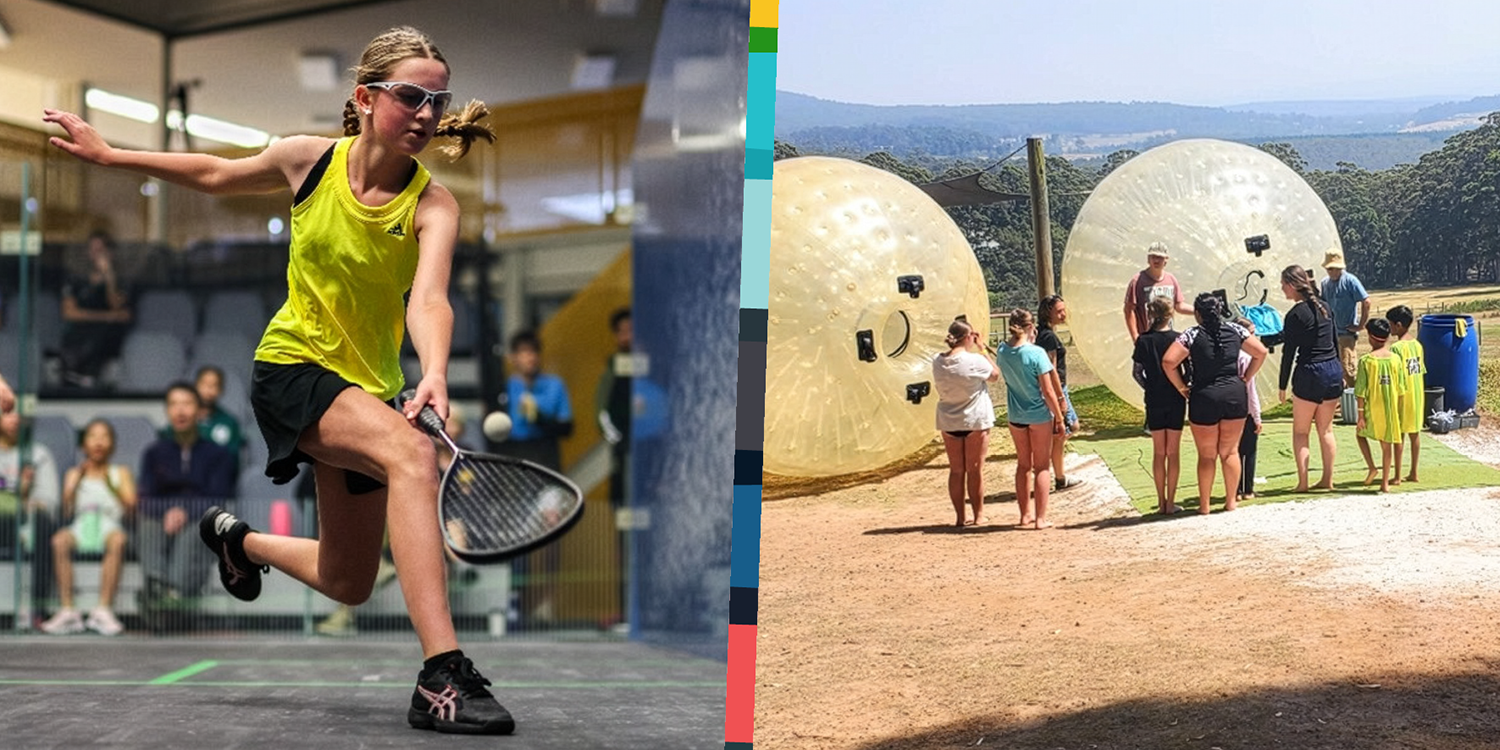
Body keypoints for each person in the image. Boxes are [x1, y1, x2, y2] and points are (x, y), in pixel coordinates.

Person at [47, 26, 510, 733]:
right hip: (292, 367)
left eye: (436, 100)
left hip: (369, 386)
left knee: (347, 581)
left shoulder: (433, 204)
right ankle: (442, 674)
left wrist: (437, 372)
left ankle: (238, 539)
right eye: (411, 96)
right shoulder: (308, 161)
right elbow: (214, 173)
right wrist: (110, 154)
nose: (425, 112)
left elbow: (430, 299)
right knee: (413, 453)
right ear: (367, 96)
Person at [135, 382, 237, 613]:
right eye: (173, 404)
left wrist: (185, 513)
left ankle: (171, 594)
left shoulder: (219, 454)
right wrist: (168, 513)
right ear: (167, 411)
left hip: (200, 518)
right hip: (161, 518)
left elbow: (218, 498)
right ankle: (158, 586)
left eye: (187, 404)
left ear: (199, 411)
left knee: (195, 532)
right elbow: (146, 496)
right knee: (147, 526)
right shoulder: (153, 453)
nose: (180, 411)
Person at [1162, 293, 1267, 514]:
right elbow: (1261, 352)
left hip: (1204, 396)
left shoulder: (1191, 335)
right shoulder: (1237, 330)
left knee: (1207, 455)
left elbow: (1169, 361)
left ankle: (1205, 506)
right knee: (1230, 452)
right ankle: (1231, 502)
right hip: (1235, 395)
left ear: (1198, 314)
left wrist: (1181, 387)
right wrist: (1246, 377)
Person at [39, 419, 137, 636]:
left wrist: (112, 486)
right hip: (81, 525)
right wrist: (74, 485)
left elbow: (131, 508)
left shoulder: (120, 472)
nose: (98, 442)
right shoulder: (74, 474)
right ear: (84, 444)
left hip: (109, 524)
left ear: (112, 444)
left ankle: (103, 609)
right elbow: (66, 511)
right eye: (93, 437)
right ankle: (67, 611)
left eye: (104, 437)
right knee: (59, 540)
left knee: (118, 540)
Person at [995, 308, 1064, 530]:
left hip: (1016, 415)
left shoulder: (1002, 350)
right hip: (1038, 415)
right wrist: (1060, 418)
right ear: (1030, 326)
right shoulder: (1036, 354)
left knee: (1023, 465)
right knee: (1042, 467)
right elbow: (1048, 391)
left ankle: (1024, 515)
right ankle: (1040, 518)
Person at [1277, 265, 1343, 492]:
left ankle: (1303, 482)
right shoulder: (1325, 307)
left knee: (1301, 432)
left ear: (1293, 285)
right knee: (1326, 430)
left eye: (1283, 284)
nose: (1281, 288)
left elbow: (1289, 353)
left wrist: (1282, 384)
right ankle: (1328, 479)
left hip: (1309, 373)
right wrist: (1340, 370)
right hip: (1332, 370)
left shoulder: (1295, 315)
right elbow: (1335, 341)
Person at [932, 317, 1000, 527]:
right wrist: (982, 349)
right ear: (968, 337)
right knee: (975, 469)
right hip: (974, 419)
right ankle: (978, 515)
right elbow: (995, 375)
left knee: (956, 470)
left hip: (949, 419)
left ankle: (960, 517)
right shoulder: (975, 361)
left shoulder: (937, 360)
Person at [0, 407, 61, 623]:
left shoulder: (38, 454)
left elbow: (49, 501)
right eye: (7, 412)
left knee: (44, 523)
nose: (14, 419)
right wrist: (17, 485)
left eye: (19, 414)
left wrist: (25, 499)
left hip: (24, 525)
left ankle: (38, 609)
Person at [1132, 297, 1187, 514]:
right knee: (1173, 452)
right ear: (1171, 313)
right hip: (1176, 396)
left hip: (1154, 398)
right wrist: (1184, 386)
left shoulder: (1143, 340)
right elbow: (1187, 367)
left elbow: (1136, 372)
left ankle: (1160, 500)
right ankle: (1171, 502)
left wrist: (1149, 387)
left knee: (1158, 452)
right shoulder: (1179, 338)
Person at [58, 230, 132, 388]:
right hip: (80, 334)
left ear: (110, 252)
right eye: (92, 249)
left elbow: (119, 309)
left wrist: (109, 278)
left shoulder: (122, 280)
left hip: (108, 337)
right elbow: (69, 313)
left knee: (101, 334)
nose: (96, 254)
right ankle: (74, 375)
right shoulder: (76, 279)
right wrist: (106, 316)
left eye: (100, 250)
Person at [499, 330, 574, 472]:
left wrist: (539, 417)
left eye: (534, 352)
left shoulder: (555, 385)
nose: (530, 358)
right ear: (513, 357)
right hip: (514, 454)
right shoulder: (504, 389)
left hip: (546, 453)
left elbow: (567, 427)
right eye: (524, 352)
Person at [1353, 319, 1409, 493]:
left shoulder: (1366, 361)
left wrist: (1360, 415)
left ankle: (1372, 467)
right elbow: (1401, 389)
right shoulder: (1396, 359)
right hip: (1391, 408)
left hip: (1372, 408)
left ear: (1370, 337)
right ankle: (1385, 482)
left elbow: (1360, 391)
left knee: (1360, 435)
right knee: (1387, 445)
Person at [1035, 295, 1083, 493]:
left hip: (1058, 388)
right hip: (1057, 388)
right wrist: (1059, 398)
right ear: (1048, 313)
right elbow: (1050, 369)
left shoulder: (1045, 334)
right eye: (1059, 311)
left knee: (1063, 433)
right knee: (1069, 428)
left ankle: (1057, 474)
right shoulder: (1048, 337)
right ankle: (1052, 473)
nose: (1063, 314)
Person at [1122, 242, 1195, 344]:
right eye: (1153, 257)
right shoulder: (1138, 281)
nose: (1156, 260)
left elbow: (1179, 306)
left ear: (1166, 260)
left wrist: (1199, 311)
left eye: (1160, 257)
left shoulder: (1171, 279)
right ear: (1148, 259)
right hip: (1147, 339)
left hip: (1167, 337)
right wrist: (1135, 338)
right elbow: (1129, 310)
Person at [1319, 250, 1370, 389]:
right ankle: (1340, 400)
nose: (1331, 272)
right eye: (1328, 269)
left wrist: (1360, 325)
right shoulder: (1324, 283)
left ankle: (1354, 401)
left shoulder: (1350, 281)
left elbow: (1366, 302)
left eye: (1333, 269)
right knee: (1334, 369)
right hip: (1331, 333)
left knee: (1348, 369)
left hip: (1346, 333)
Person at [1386, 305, 1426, 483]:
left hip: (1403, 395)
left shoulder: (1396, 348)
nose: (1389, 329)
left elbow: (1396, 375)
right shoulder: (1417, 345)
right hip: (1417, 394)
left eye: (1391, 325)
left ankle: (1396, 475)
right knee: (1415, 433)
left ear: (1399, 325)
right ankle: (1414, 472)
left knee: (1399, 435)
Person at [1232, 316, 1264, 504]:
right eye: (1252, 334)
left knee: (1233, 450)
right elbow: (1250, 391)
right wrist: (1257, 416)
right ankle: (1248, 489)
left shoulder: (1228, 356)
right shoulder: (1247, 358)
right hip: (1246, 410)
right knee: (1249, 451)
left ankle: (1234, 489)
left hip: (1230, 409)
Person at [195, 365, 244, 471]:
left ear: (221, 390)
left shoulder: (229, 423)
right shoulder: (183, 419)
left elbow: (232, 460)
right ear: (196, 386)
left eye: (214, 385)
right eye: (205, 384)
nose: (208, 390)